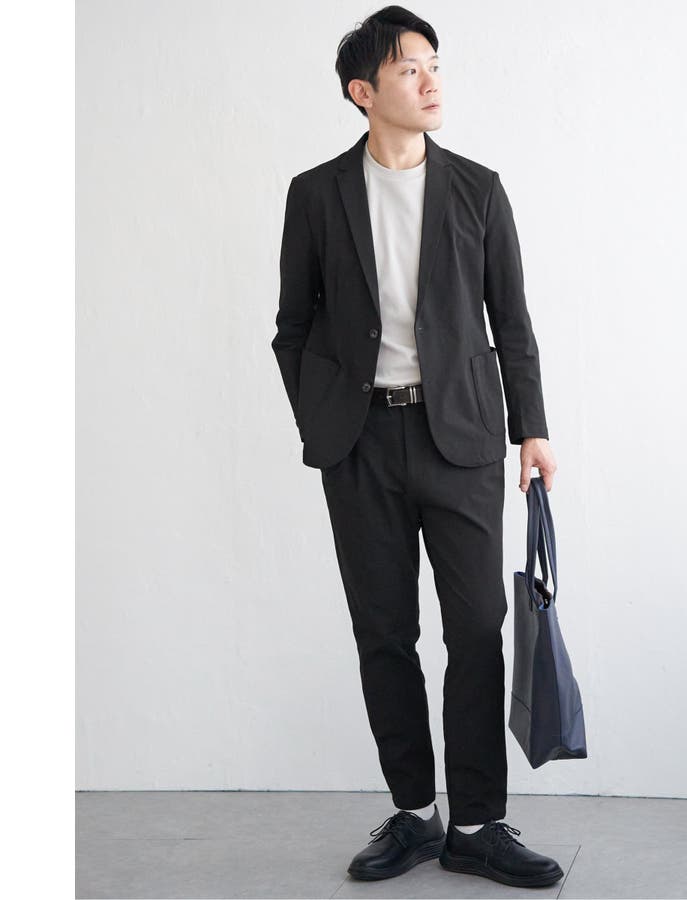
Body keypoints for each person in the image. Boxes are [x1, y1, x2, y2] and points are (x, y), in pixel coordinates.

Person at [271, 5, 561, 889]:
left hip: (462, 438)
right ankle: (413, 814)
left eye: (434, 64)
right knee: (384, 633)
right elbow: (293, 326)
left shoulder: (479, 190)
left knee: (477, 629)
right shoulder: (316, 194)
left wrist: (532, 428)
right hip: (360, 443)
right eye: (408, 68)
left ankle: (476, 824)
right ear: (364, 91)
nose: (431, 81)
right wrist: (323, 420)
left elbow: (511, 321)